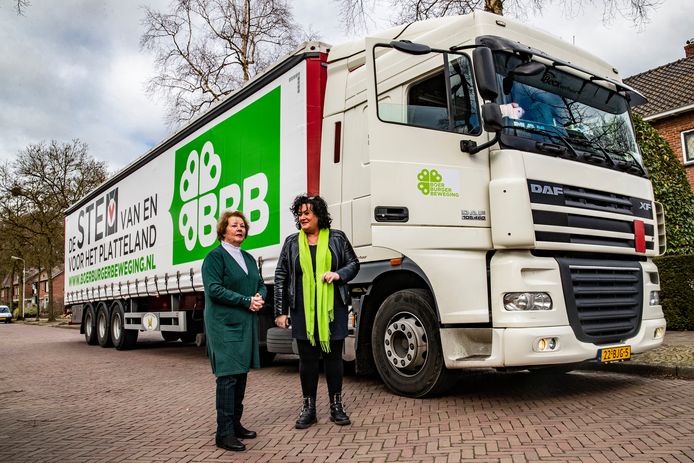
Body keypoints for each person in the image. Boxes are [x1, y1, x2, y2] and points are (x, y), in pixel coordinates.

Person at [274, 194, 360, 429]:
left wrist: (338, 274)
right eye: (299, 214)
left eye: (307, 213)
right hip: (302, 310)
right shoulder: (292, 242)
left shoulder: (337, 238)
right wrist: (280, 311)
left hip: (333, 309)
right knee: (307, 360)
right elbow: (281, 276)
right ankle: (308, 408)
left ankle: (336, 406)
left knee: (333, 359)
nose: (302, 217)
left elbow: (354, 264)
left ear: (318, 215)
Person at [202, 210, 266, 452]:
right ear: (223, 230)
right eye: (234, 225)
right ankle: (224, 433)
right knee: (228, 376)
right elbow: (214, 289)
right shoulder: (214, 257)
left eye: (242, 225)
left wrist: (259, 297)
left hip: (244, 323)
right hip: (224, 325)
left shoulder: (248, 258)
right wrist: (246, 300)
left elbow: (260, 283)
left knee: (240, 374)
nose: (240, 228)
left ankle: (235, 424)